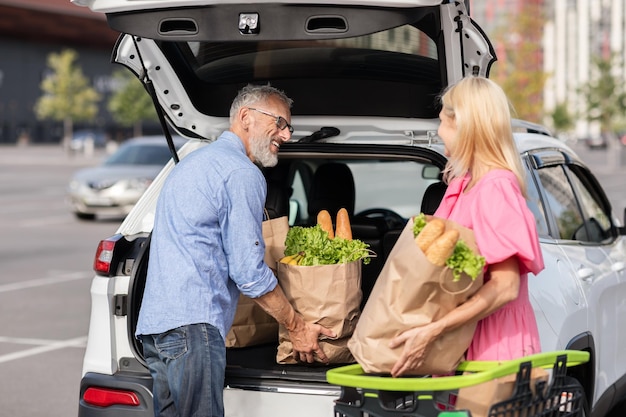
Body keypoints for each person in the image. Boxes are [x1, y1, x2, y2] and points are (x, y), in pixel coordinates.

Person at [136, 84, 336, 416]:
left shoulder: (192, 164)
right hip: (193, 329)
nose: (286, 135)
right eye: (280, 123)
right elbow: (247, 273)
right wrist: (297, 327)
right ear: (246, 117)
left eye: (289, 127)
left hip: (155, 329)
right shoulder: (241, 172)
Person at [389, 76, 545, 377]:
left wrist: (434, 330)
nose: (437, 132)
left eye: (442, 122)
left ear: (464, 126)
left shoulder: (495, 188)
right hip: (460, 347)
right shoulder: (463, 185)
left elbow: (505, 287)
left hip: (492, 352)